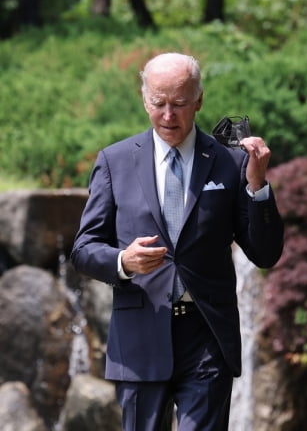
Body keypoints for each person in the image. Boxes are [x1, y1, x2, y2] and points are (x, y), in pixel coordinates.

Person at [71, 52, 284, 431]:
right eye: (159, 103)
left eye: (180, 104)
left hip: (207, 337)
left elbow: (265, 253)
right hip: (139, 337)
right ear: (144, 99)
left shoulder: (230, 162)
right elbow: (84, 250)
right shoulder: (114, 161)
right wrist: (123, 261)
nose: (169, 115)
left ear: (199, 100)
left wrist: (257, 185)